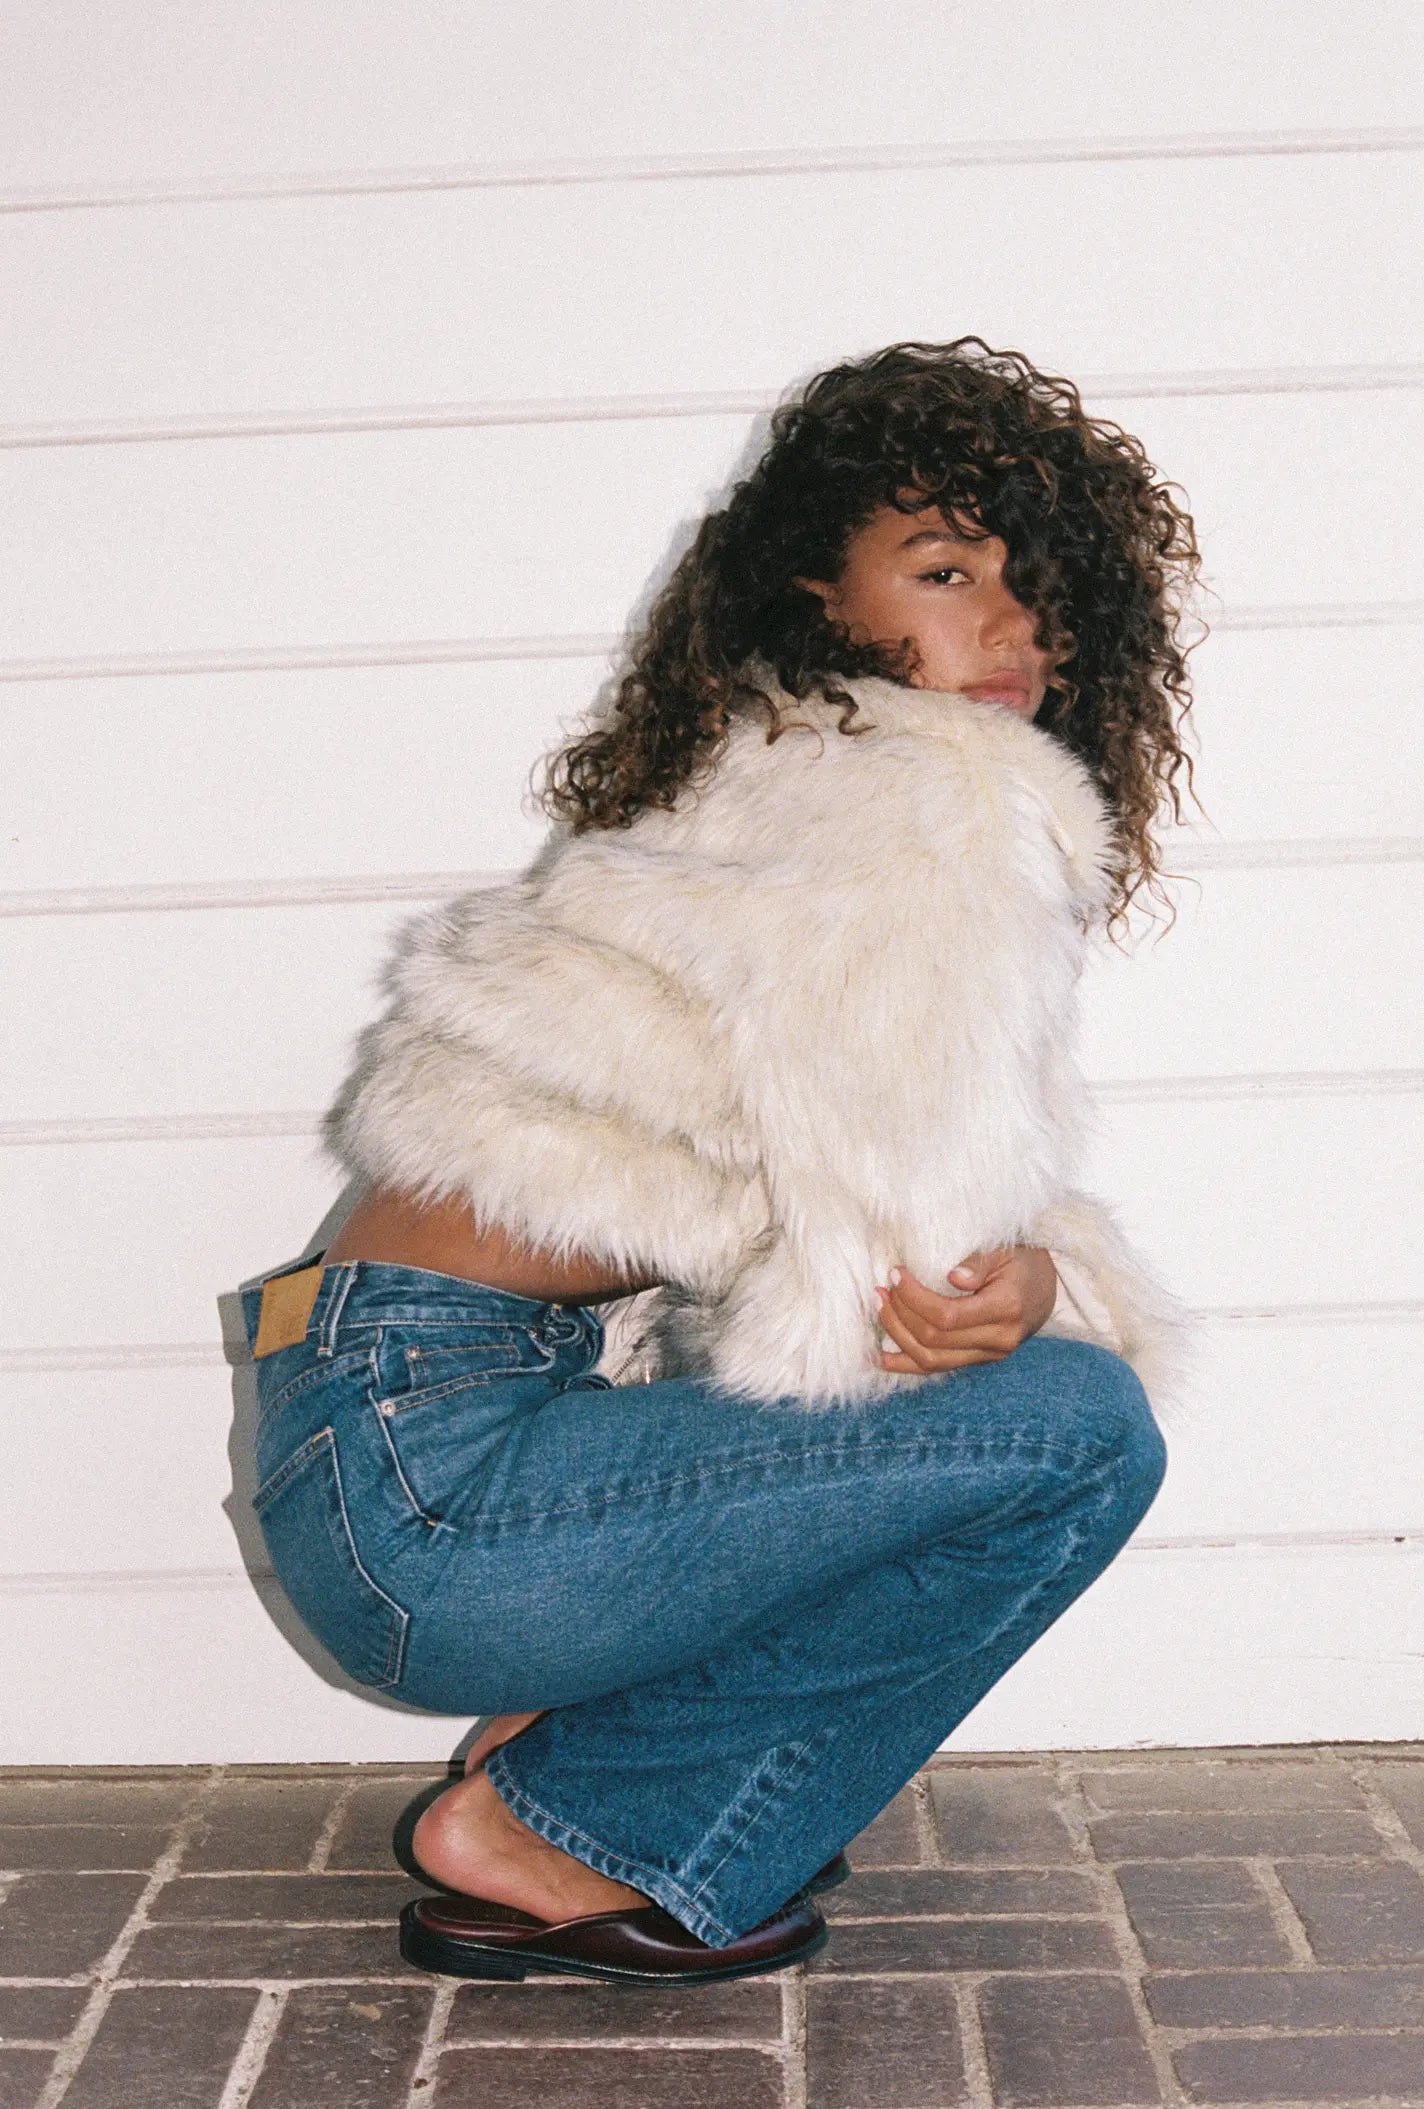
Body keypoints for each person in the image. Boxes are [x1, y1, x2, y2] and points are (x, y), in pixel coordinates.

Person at [237, 338, 1198, 1987]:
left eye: (1037, 590)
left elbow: (790, 1272)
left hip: (381, 1446)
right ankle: (563, 1828)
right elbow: (898, 1296)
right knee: (1077, 1431)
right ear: (821, 590)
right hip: (442, 1484)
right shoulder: (931, 799)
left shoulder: (774, 767)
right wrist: (1039, 1287)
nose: (1009, 629)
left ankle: (597, 1775)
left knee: (978, 1424)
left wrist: (1022, 1276)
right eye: (946, 570)